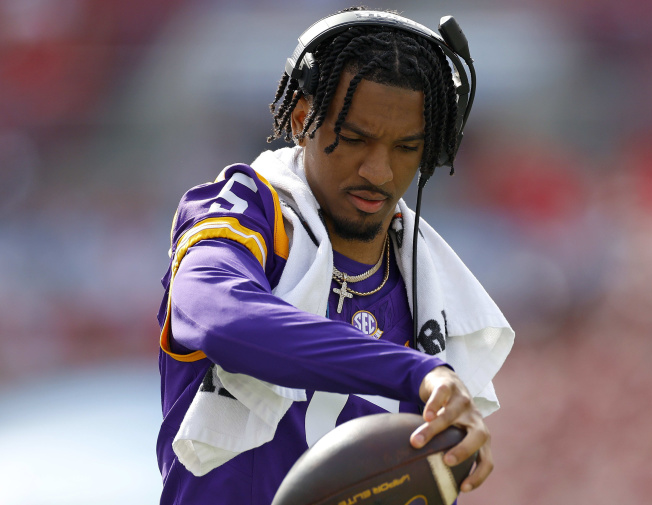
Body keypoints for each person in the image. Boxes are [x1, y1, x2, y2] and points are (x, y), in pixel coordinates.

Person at [155, 7, 514, 505]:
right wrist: (414, 370)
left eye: (407, 148)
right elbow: (217, 316)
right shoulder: (251, 211)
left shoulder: (429, 286)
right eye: (355, 139)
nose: (379, 172)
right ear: (303, 120)